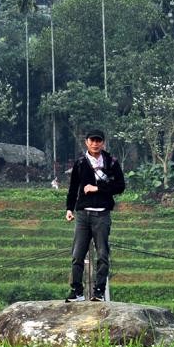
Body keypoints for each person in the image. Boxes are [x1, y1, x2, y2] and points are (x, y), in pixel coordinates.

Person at [65, 129, 126, 302]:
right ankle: (77, 291)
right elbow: (73, 188)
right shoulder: (80, 163)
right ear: (86, 142)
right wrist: (69, 209)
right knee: (77, 255)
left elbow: (120, 186)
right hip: (83, 214)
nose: (95, 143)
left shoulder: (111, 162)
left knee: (102, 255)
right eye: (92, 140)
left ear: (103, 143)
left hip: (102, 215)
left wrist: (98, 188)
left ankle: (99, 291)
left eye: (98, 140)